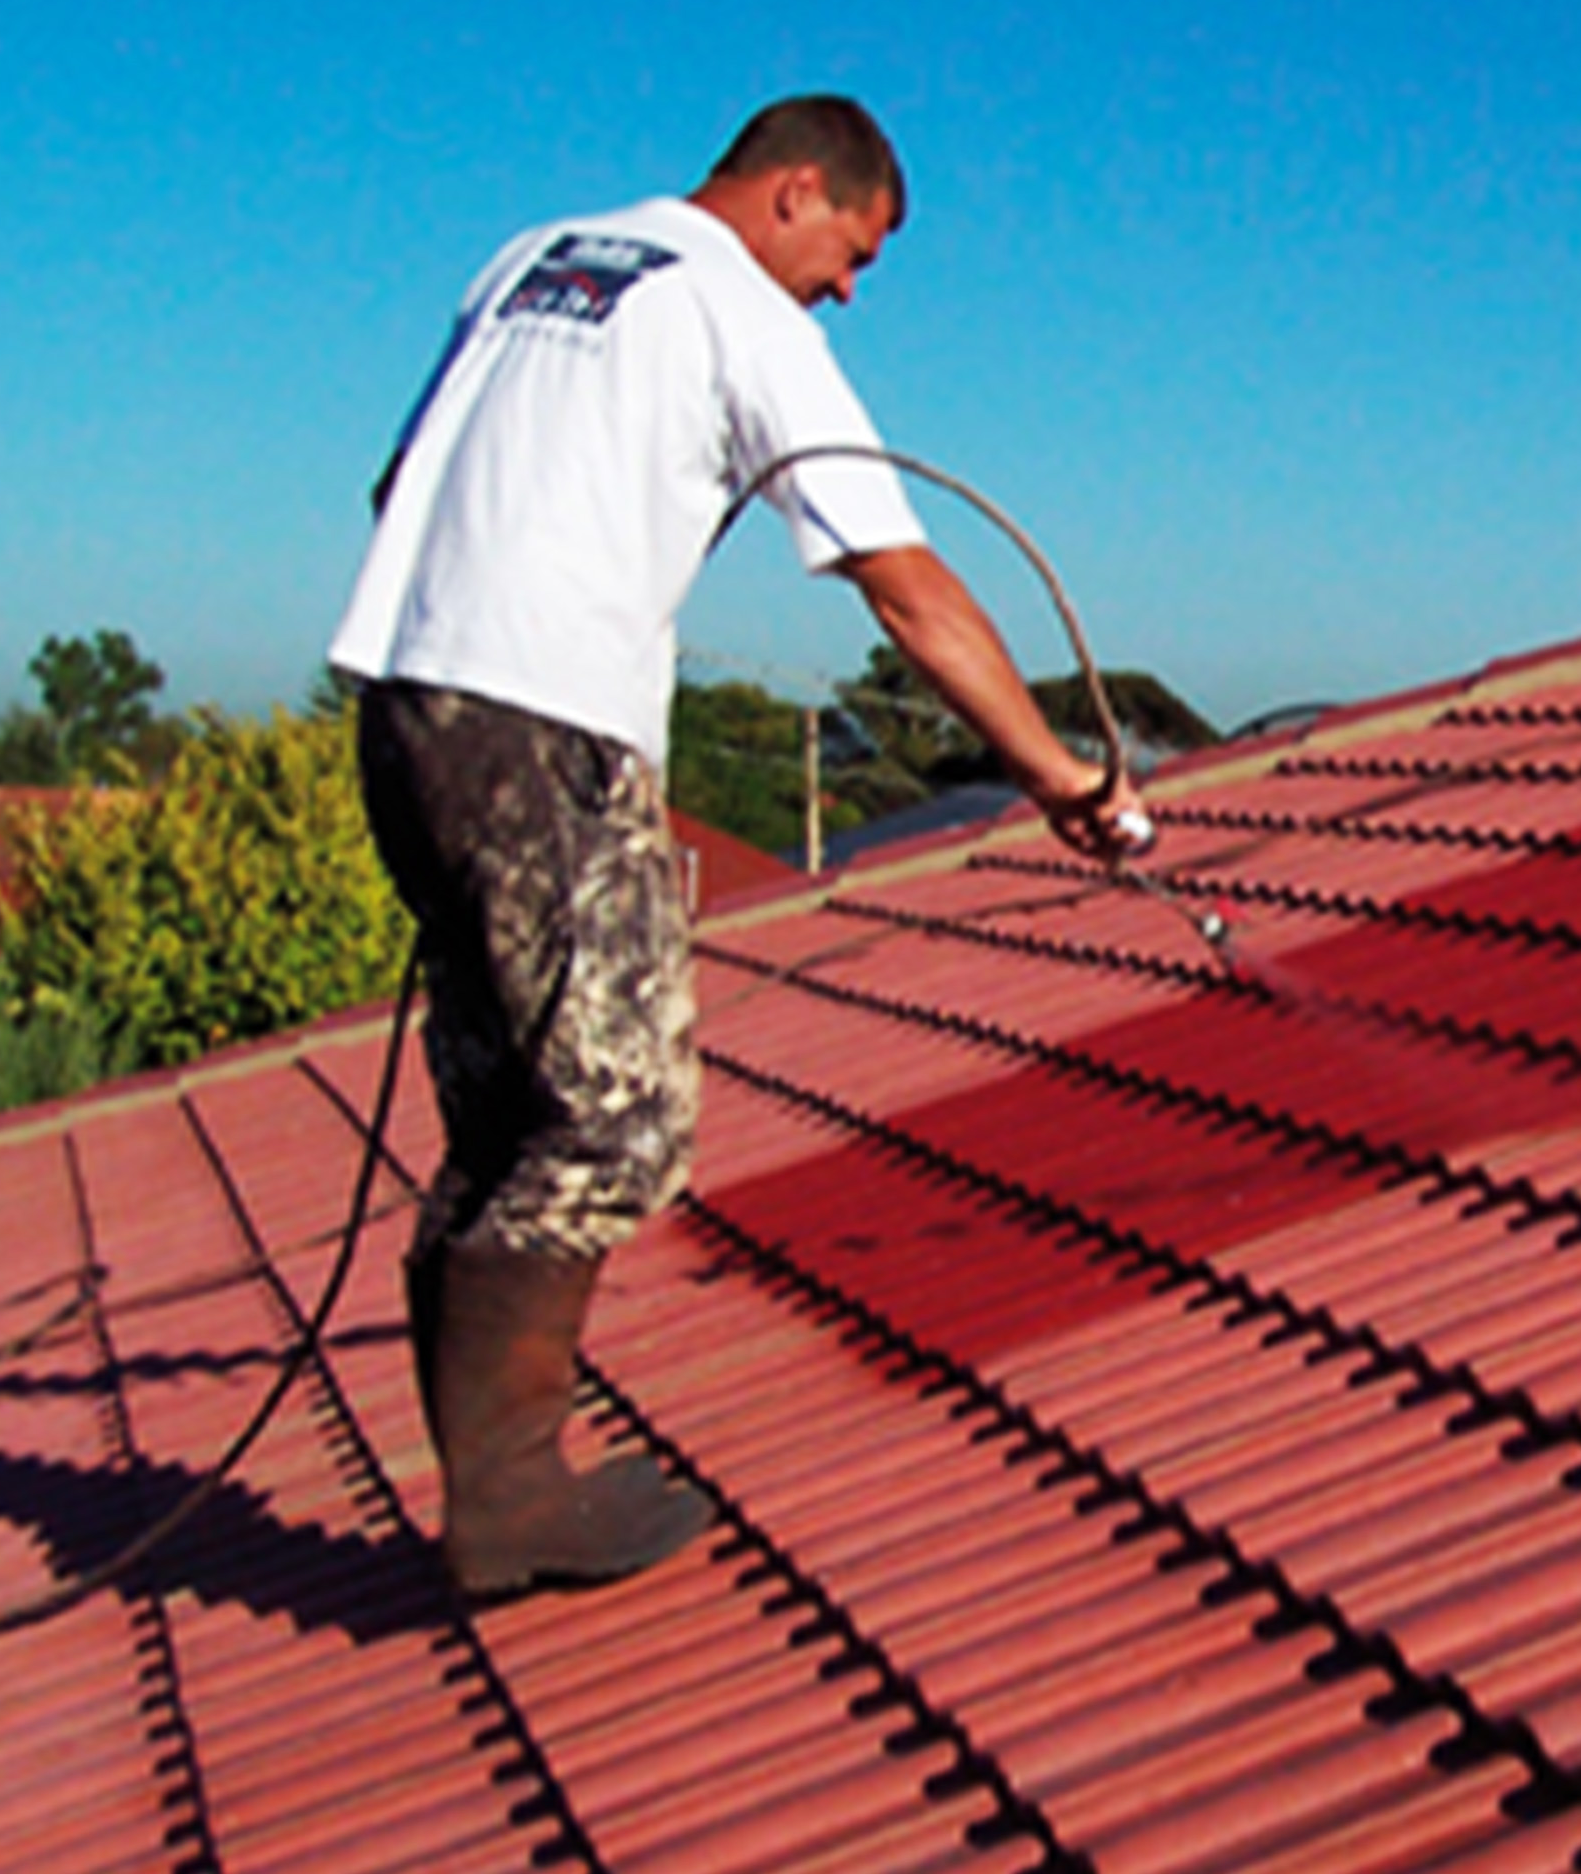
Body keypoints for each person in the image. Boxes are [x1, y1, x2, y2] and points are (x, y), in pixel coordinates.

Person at [329, 94, 1142, 1597]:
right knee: (619, 1121)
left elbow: (404, 490)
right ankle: (507, 1500)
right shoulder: (739, 312)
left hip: (403, 710)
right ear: (794, 191)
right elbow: (902, 585)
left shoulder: (530, 261)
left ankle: (493, 1488)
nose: (847, 285)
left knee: (509, 1117)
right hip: (543, 725)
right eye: (856, 248)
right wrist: (1055, 776)